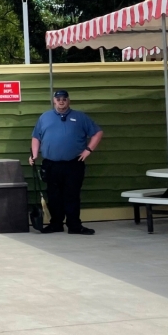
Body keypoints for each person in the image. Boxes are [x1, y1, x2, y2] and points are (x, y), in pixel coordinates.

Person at [29, 90, 104, 235]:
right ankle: (56, 224)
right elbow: (36, 137)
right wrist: (34, 154)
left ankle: (74, 226)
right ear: (54, 101)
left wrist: (89, 149)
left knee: (72, 195)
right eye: (58, 99)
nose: (61, 101)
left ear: (69, 101)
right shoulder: (45, 117)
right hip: (51, 164)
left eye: (64, 99)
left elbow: (97, 132)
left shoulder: (80, 117)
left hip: (73, 163)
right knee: (53, 195)